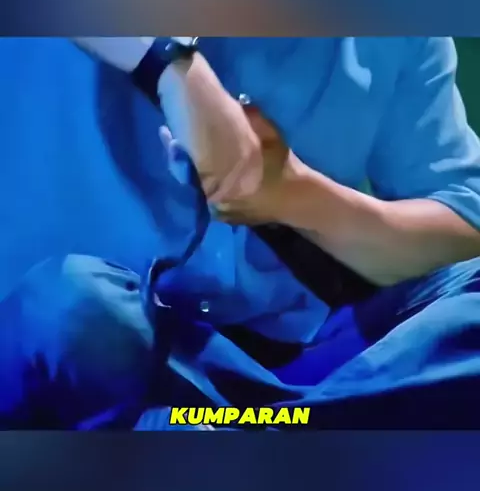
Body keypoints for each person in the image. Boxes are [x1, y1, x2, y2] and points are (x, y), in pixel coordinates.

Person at [0, 36, 479, 429]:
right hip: (86, 341)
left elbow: (466, 219)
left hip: (290, 366)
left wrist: (295, 194)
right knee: (72, 312)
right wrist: (170, 65)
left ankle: (262, 435)